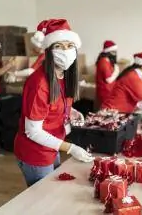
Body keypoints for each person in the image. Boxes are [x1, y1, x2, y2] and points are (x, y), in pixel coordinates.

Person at [14, 19, 93, 187]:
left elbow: (56, 103)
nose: (65, 51)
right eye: (58, 46)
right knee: (43, 200)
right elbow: (33, 132)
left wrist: (71, 111)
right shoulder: (39, 84)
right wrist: (70, 148)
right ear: (48, 50)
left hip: (52, 145)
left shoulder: (64, 76)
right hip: (36, 152)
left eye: (69, 46)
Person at [95, 40, 119, 107]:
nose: (115, 53)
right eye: (113, 51)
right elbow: (108, 80)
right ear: (108, 51)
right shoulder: (104, 62)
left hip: (109, 90)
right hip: (105, 92)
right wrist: (116, 71)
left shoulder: (107, 61)